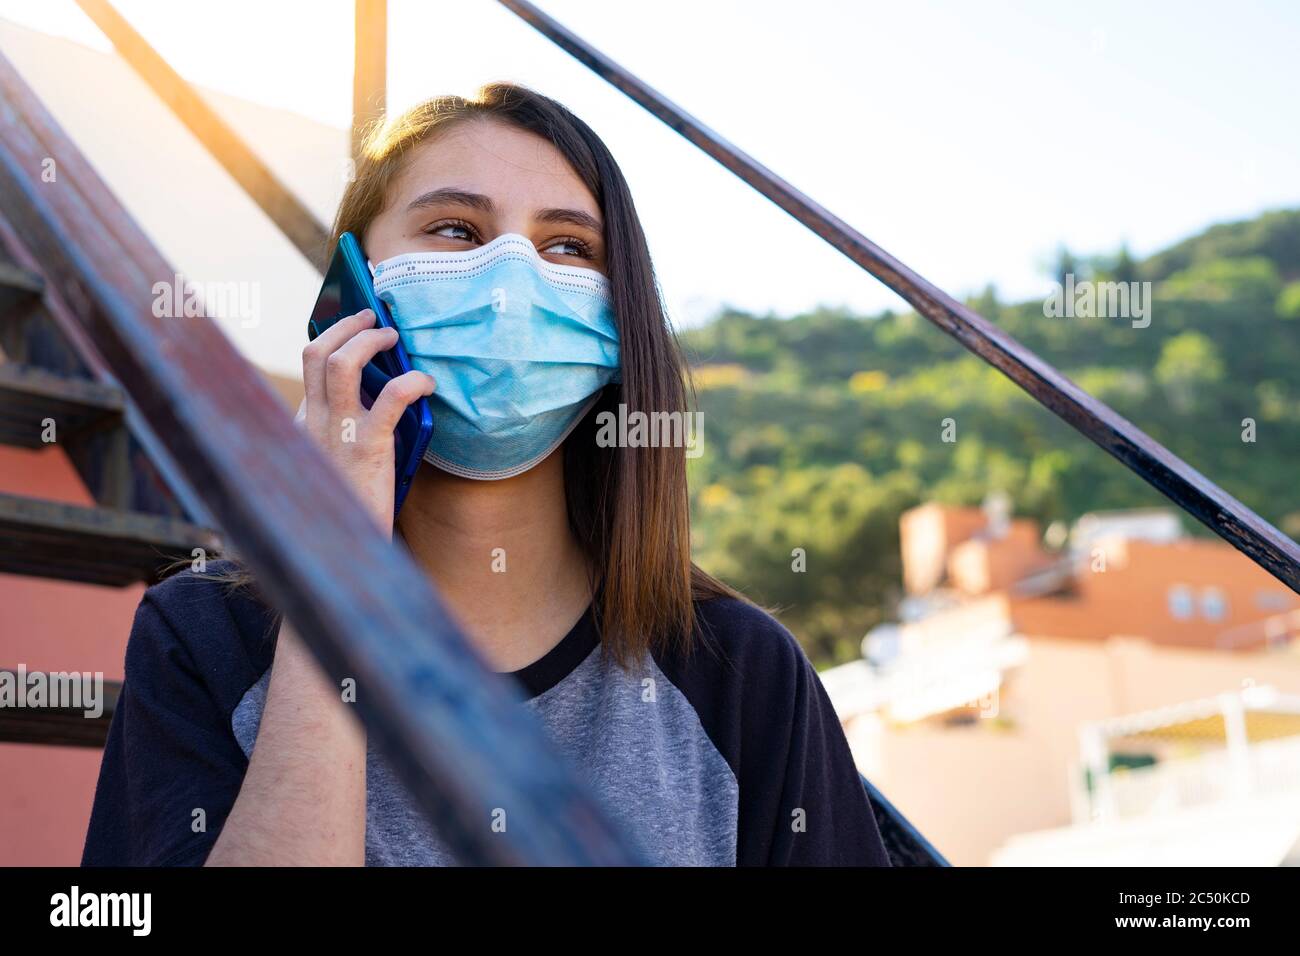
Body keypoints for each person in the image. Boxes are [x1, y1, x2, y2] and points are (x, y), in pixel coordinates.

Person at [80, 83, 890, 867]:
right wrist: (335, 563)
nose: (512, 282)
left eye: (568, 246)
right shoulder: (199, 639)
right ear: (351, 288)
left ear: (618, 321)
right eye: (457, 229)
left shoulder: (743, 674)